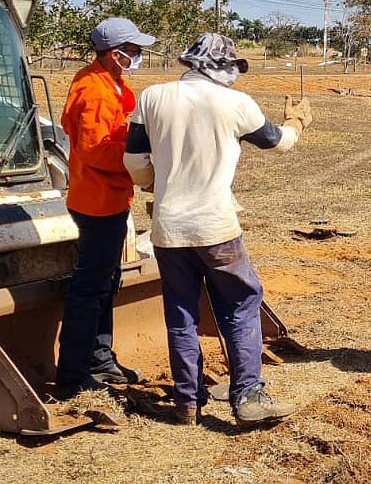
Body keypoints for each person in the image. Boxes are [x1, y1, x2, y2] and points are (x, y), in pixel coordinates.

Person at [123, 33, 312, 427]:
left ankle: (187, 402)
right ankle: (248, 395)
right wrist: (296, 122)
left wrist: (158, 184)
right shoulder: (235, 104)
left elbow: (135, 160)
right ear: (223, 68)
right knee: (242, 303)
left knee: (181, 314)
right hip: (216, 227)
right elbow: (277, 143)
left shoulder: (152, 97)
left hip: (167, 230)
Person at [55, 17, 155, 398]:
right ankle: (72, 373)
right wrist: (142, 161)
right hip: (98, 199)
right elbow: (97, 150)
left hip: (104, 195)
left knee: (106, 282)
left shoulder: (105, 80)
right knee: (90, 287)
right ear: (116, 54)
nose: (138, 55)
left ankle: (98, 356)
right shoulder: (94, 91)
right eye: (133, 50)